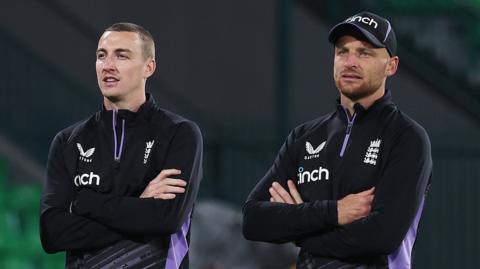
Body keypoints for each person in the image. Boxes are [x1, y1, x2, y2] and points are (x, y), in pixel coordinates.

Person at [242, 11, 432, 269]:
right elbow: (253, 220)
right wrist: (335, 212)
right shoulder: (304, 137)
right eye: (343, 51)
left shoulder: (406, 137)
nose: (350, 61)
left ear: (391, 65)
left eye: (365, 53)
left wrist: (298, 229)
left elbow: (381, 235)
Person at [40, 22, 203, 269]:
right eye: (101, 56)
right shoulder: (68, 141)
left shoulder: (179, 134)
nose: (108, 66)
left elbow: (166, 218)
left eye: (122, 56)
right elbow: (53, 234)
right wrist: (141, 203)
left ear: (149, 67)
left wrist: (85, 203)